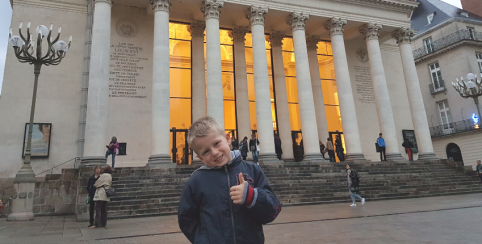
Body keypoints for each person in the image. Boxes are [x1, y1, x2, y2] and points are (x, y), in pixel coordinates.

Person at [178, 117, 282, 243]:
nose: (215, 152)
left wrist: (252, 196)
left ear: (228, 139)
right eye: (206, 151)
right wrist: (202, 240)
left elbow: (273, 209)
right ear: (201, 158)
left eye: (216, 144)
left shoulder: (252, 170)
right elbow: (186, 218)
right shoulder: (197, 180)